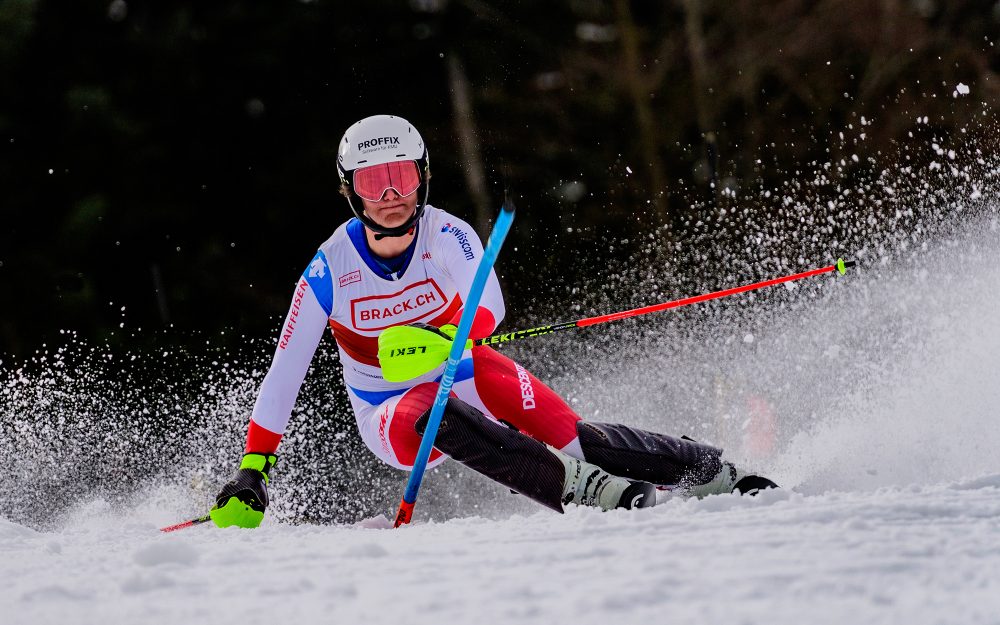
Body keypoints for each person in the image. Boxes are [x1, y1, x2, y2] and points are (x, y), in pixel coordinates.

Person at [210, 114, 775, 529]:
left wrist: (444, 336)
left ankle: (712, 473)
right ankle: (581, 492)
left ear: (423, 178)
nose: (389, 195)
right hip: (388, 408)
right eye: (371, 181)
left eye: (402, 178)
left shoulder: (448, 233)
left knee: (574, 436)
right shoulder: (327, 269)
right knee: (434, 412)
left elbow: (491, 303)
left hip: (463, 368)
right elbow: (286, 371)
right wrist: (254, 468)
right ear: (348, 190)